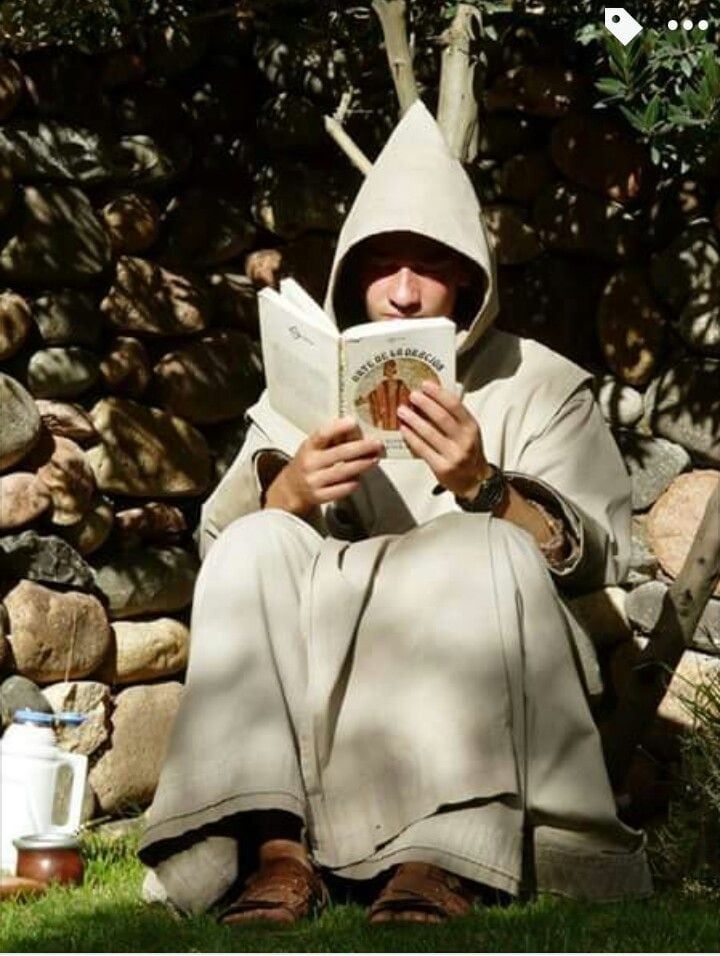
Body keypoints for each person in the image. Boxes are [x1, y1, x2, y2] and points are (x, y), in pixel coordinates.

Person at [138, 101, 651, 924]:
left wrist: (487, 486)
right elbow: (224, 544)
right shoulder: (311, 377)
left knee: (477, 547)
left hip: (480, 632)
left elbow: (596, 553)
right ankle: (277, 852)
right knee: (258, 542)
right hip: (327, 633)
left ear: (470, 278)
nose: (405, 295)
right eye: (382, 267)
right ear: (351, 277)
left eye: (430, 267)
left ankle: (440, 856)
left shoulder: (541, 383)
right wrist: (290, 493)